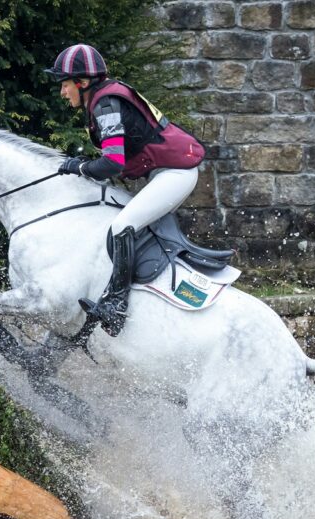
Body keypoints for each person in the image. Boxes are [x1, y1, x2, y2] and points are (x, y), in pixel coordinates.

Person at [44, 43, 205, 337]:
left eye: (65, 84)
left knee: (121, 225)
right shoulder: (103, 99)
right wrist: (82, 165)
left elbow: (113, 163)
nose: (62, 92)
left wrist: (79, 167)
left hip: (175, 173)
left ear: (82, 82)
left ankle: (116, 305)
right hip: (164, 172)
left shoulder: (105, 104)